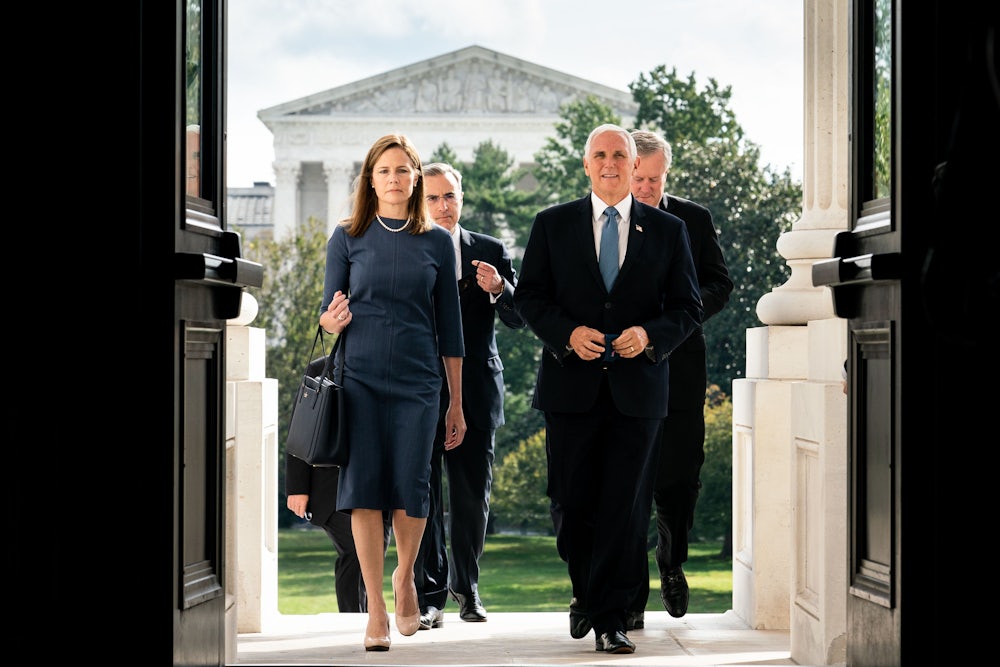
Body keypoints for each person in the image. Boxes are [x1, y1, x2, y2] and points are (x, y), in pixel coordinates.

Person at [513, 124, 703, 655]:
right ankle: (587, 595)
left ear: (631, 160)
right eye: (600, 155)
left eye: (619, 154)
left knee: (626, 507)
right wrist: (566, 334)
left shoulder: (667, 231)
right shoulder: (552, 224)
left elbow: (687, 307)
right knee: (573, 506)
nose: (610, 163)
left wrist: (650, 336)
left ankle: (610, 618)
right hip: (570, 389)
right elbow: (529, 297)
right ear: (586, 164)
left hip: (638, 392)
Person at [319, 133, 467, 652]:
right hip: (359, 379)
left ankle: (405, 578)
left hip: (419, 382)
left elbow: (451, 330)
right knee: (363, 490)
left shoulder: (434, 242)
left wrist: (457, 402)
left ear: (416, 177)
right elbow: (327, 312)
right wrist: (330, 319)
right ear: (370, 179)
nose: (394, 179)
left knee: (413, 484)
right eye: (384, 171)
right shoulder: (347, 236)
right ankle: (376, 607)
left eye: (403, 170)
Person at [626, 130, 734, 628]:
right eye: (638, 177)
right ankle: (627, 588)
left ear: (665, 173)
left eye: (654, 178)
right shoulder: (606, 222)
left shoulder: (694, 218)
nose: (646, 187)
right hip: (621, 367)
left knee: (680, 478)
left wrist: (678, 321)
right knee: (627, 479)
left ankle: (672, 565)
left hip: (681, 366)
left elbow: (720, 284)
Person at [414, 163, 526, 630]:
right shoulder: (410, 246)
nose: (443, 206)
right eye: (434, 197)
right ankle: (429, 594)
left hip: (477, 392)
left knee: (471, 496)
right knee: (421, 494)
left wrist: (500, 289)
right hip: (420, 391)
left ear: (462, 198)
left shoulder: (491, 250)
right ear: (422, 202)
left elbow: (521, 316)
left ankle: (469, 587)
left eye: (450, 196)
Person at [285, 356, 393, 614]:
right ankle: (354, 620)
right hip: (331, 486)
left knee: (373, 554)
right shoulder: (319, 368)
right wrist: (297, 486)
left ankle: (367, 618)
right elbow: (301, 428)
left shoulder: (390, 364)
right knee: (358, 550)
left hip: (381, 481)